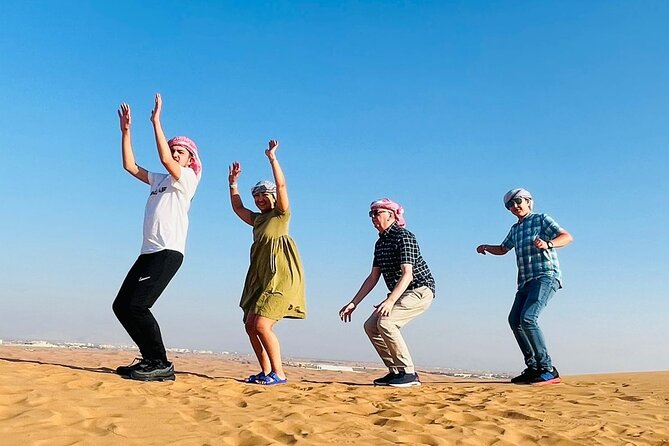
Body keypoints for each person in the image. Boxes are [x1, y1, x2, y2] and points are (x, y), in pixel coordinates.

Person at [112, 94, 202, 382]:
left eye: (180, 151)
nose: (175, 154)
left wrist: (156, 122)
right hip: (148, 252)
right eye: (174, 149)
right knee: (122, 306)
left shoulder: (186, 179)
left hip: (168, 252)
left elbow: (163, 156)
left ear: (190, 159)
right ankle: (150, 359)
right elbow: (130, 166)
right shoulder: (159, 180)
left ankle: (160, 362)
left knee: (138, 306)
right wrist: (126, 132)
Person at [228, 139, 306, 385]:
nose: (260, 198)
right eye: (257, 195)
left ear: (272, 196)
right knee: (250, 325)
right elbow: (238, 207)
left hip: (281, 275)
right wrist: (233, 184)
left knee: (262, 324)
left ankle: (279, 373)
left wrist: (272, 158)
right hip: (261, 277)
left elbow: (282, 185)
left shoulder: (280, 215)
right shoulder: (258, 220)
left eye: (264, 194)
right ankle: (266, 371)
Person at [476, 188, 572, 385]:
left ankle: (548, 369)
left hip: (545, 275)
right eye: (510, 204)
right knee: (514, 320)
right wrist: (486, 247)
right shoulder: (515, 229)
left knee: (528, 318)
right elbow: (503, 249)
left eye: (519, 201)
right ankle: (533, 367)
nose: (515, 206)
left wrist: (548, 244)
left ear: (529, 201)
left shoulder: (541, 219)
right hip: (525, 280)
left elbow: (566, 237)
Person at [339, 198, 435, 387]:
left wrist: (390, 301)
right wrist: (354, 303)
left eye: (377, 213)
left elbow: (407, 274)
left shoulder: (404, 236)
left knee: (387, 322)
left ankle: (408, 373)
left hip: (419, 289)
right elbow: (373, 277)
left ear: (391, 215)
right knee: (371, 326)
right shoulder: (380, 243)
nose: (373, 217)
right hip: (401, 293)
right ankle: (396, 371)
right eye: (371, 214)